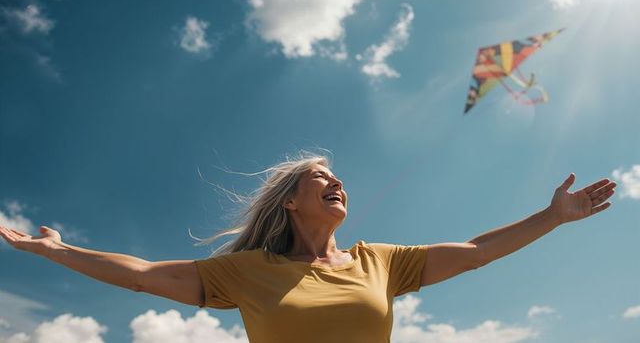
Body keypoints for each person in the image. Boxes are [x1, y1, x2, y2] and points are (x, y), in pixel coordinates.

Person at [0, 152, 616, 343]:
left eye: (338, 177)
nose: (337, 182)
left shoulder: (382, 262)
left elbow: (476, 250)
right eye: (320, 178)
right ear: (290, 201)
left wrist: (552, 217)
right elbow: (139, 275)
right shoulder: (245, 273)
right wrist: (56, 251)